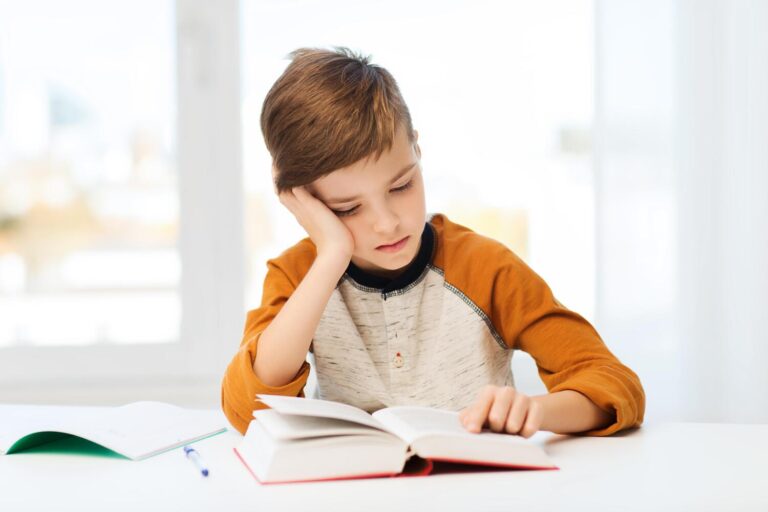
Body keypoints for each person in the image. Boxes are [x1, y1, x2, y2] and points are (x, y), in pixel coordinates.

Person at [221, 47, 645, 438]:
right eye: (348, 209)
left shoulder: (485, 268)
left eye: (402, 185)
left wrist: (534, 412)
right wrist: (332, 254)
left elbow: (614, 384)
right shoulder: (298, 278)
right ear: (305, 202)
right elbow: (246, 411)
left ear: (417, 149)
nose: (387, 224)